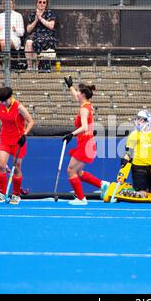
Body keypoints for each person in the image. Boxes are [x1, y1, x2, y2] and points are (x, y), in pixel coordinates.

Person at [0, 87, 34, 205]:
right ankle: (2, 193)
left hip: (18, 140)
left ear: (10, 97)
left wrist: (25, 134)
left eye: (5, 100)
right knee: (1, 166)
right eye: (2, 101)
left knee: (17, 168)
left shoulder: (19, 107)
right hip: (5, 139)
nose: (3, 103)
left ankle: (16, 194)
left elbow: (31, 121)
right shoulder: (0, 104)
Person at [61, 76, 110, 205]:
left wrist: (71, 134)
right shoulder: (87, 104)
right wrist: (70, 86)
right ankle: (102, 184)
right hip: (87, 142)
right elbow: (76, 96)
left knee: (71, 171)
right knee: (77, 171)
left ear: (83, 94)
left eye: (78, 92)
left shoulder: (83, 109)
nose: (76, 94)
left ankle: (81, 199)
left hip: (85, 143)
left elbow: (84, 127)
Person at [121, 110, 151, 198]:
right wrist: (125, 160)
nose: (138, 121)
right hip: (138, 166)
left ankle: (131, 192)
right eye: (137, 119)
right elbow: (129, 151)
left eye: (142, 120)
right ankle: (134, 192)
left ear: (149, 121)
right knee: (142, 193)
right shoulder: (134, 134)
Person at [0, 0, 25, 72]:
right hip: (1, 36)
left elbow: (22, 32)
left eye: (10, 4)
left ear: (13, 5)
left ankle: (6, 65)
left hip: (14, 37)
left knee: (4, 43)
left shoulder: (18, 15)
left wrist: (15, 29)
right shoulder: (0, 16)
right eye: (6, 4)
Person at [25, 0, 58, 71]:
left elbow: (51, 26)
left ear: (46, 4)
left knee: (37, 42)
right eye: (40, 2)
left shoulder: (49, 13)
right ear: (36, 3)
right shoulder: (33, 14)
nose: (42, 4)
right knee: (29, 42)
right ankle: (30, 66)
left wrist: (40, 18)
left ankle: (36, 66)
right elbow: (28, 30)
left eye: (44, 2)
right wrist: (36, 20)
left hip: (47, 35)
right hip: (35, 34)